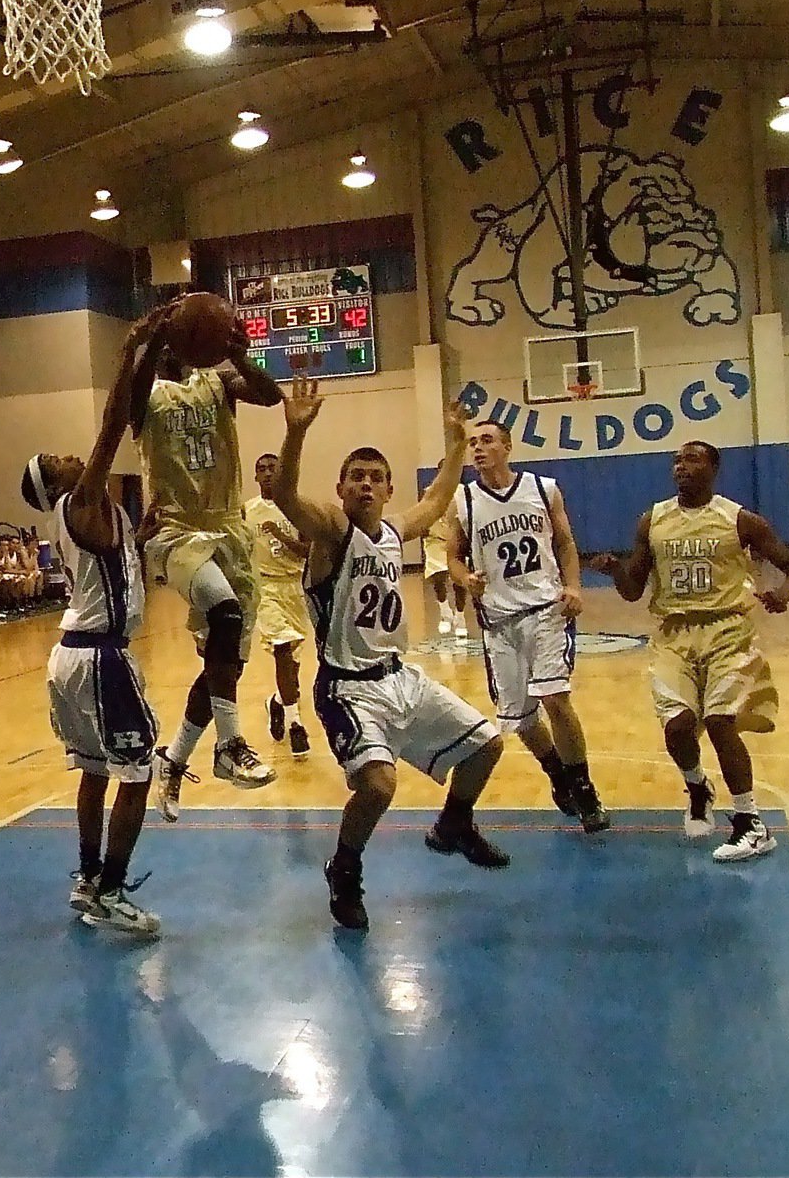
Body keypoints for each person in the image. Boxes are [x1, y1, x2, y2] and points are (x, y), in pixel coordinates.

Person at [274, 378, 508, 931]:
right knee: (378, 786)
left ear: (386, 489)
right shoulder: (332, 531)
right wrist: (295, 431)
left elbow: (436, 500)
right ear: (341, 486)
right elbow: (284, 495)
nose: (365, 485)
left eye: (376, 478)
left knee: (486, 746)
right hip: (348, 688)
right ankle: (345, 868)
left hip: (400, 677)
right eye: (356, 477)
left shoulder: (391, 532)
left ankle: (453, 825)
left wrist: (454, 447)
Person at [20, 305, 172, 933]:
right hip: (100, 655)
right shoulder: (78, 500)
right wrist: (130, 351)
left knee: (92, 770)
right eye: (57, 458)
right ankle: (111, 890)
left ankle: (87, 879)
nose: (70, 456)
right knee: (138, 771)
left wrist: (139, 536)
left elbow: (110, 564)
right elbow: (112, 425)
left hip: (74, 653)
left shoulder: (89, 515)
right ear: (52, 483)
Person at [587, 440, 789, 861]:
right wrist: (616, 570)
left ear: (713, 468)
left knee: (721, 720)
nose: (681, 467)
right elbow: (634, 592)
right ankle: (697, 787)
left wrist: (782, 595)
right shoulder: (653, 520)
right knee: (677, 726)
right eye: (676, 460)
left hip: (728, 631)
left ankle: (750, 823)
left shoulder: (740, 520)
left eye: (691, 459)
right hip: (674, 635)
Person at [132, 296, 284, 820]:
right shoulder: (145, 395)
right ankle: (230, 744)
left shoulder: (219, 383)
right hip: (175, 530)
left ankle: (174, 761)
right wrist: (150, 341)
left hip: (228, 529)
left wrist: (240, 356)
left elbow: (271, 395)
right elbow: (125, 398)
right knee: (224, 613)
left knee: (225, 666)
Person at [446, 420, 610, 833]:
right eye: (472, 443)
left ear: (507, 446)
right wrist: (466, 579)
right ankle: (557, 773)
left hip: (545, 611)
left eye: (487, 441)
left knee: (555, 698)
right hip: (499, 621)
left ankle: (584, 787)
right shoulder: (463, 500)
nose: (478, 449)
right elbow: (453, 557)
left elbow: (565, 543)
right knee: (519, 720)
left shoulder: (543, 488)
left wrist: (574, 585)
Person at [242, 452, 312, 758]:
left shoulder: (297, 508)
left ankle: (277, 702)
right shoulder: (247, 511)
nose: (268, 472)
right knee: (282, 651)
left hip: (296, 589)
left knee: (292, 665)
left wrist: (281, 535)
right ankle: (297, 724)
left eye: (273, 468)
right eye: (262, 469)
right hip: (266, 588)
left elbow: (306, 552)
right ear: (256, 477)